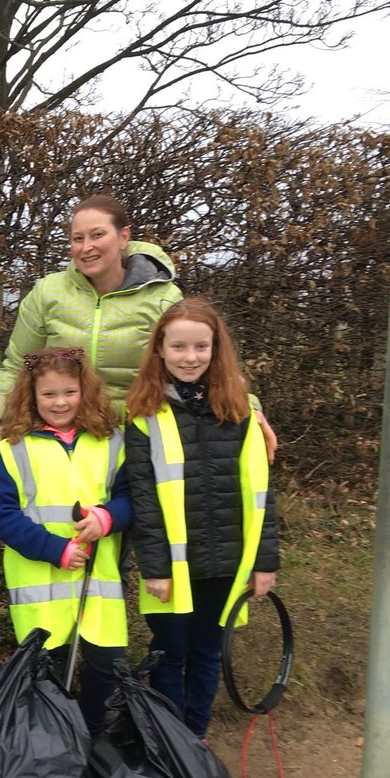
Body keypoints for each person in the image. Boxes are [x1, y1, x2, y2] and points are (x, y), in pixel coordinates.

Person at [0, 194, 277, 460]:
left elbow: (197, 360)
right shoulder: (48, 292)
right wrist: (2, 423)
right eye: (78, 238)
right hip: (59, 439)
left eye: (97, 235)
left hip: (137, 438)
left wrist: (249, 408)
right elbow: (18, 364)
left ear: (123, 237)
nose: (87, 247)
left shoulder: (161, 297)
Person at [124, 297, 280, 741]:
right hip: (172, 567)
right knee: (169, 652)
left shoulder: (242, 410)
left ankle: (195, 739)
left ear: (216, 349)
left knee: (208, 653)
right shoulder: (143, 414)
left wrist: (265, 562)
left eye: (200, 347)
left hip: (227, 563)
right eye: (178, 347)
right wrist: (154, 568)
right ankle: (168, 742)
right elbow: (144, 501)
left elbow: (263, 494)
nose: (190, 357)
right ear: (160, 349)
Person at [0, 347, 133, 735]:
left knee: (106, 666)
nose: (60, 402)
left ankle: (92, 735)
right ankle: (53, 741)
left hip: (98, 583)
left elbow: (130, 498)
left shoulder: (111, 440)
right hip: (41, 588)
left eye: (69, 392)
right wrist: (55, 549)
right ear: (31, 396)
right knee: (47, 674)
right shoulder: (15, 446)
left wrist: (106, 518)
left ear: (85, 391)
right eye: (48, 394)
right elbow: (1, 514)